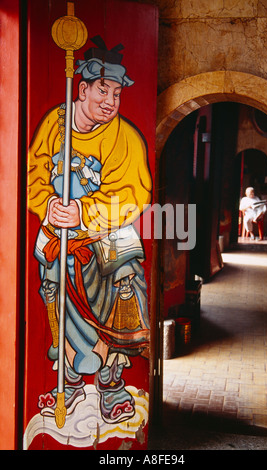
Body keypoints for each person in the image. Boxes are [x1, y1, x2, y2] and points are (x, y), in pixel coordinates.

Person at [27, 36, 152, 424]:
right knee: (53, 290)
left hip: (105, 232)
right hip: (59, 230)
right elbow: (34, 172)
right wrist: (47, 203)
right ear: (81, 89)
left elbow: (135, 194)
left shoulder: (125, 137)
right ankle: (67, 377)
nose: (111, 101)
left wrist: (82, 212)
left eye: (116, 93)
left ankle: (110, 383)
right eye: (103, 90)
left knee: (123, 282)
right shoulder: (55, 123)